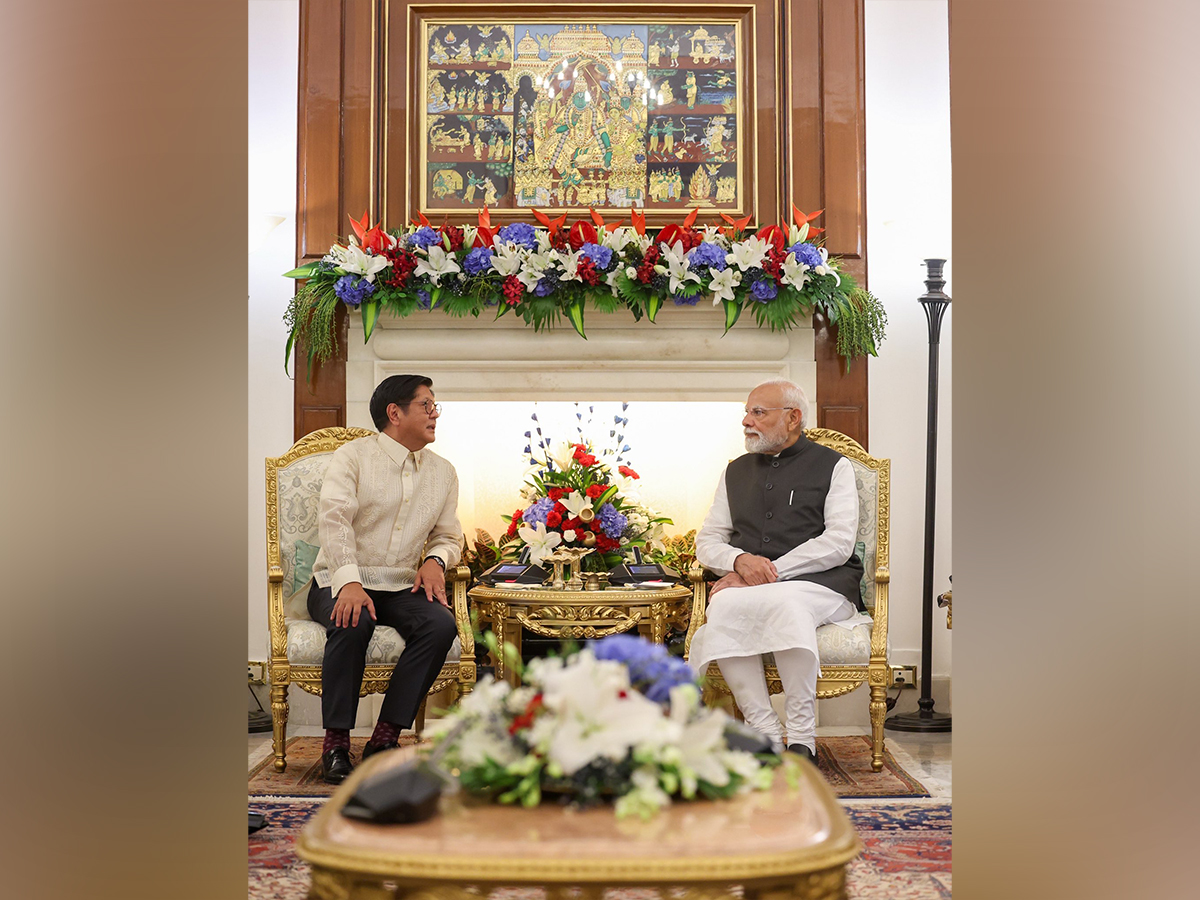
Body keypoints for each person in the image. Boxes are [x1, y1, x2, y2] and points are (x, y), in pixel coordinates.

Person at [688, 379, 872, 763]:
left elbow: (839, 541)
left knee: (787, 602)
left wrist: (767, 571)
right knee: (723, 605)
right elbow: (707, 540)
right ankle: (765, 732)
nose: (746, 421)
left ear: (792, 418)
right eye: (747, 412)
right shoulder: (735, 471)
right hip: (753, 585)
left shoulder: (833, 466)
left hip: (824, 584)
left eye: (758, 412)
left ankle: (803, 737)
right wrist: (739, 562)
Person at [307, 375, 463, 784]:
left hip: (400, 585)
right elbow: (334, 521)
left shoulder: (444, 472)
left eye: (435, 406)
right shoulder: (353, 457)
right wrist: (348, 582)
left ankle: (384, 739)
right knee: (352, 619)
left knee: (440, 624)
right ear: (395, 413)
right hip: (337, 580)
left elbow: (448, 536)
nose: (435, 414)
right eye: (426, 405)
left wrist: (436, 560)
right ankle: (336, 745)